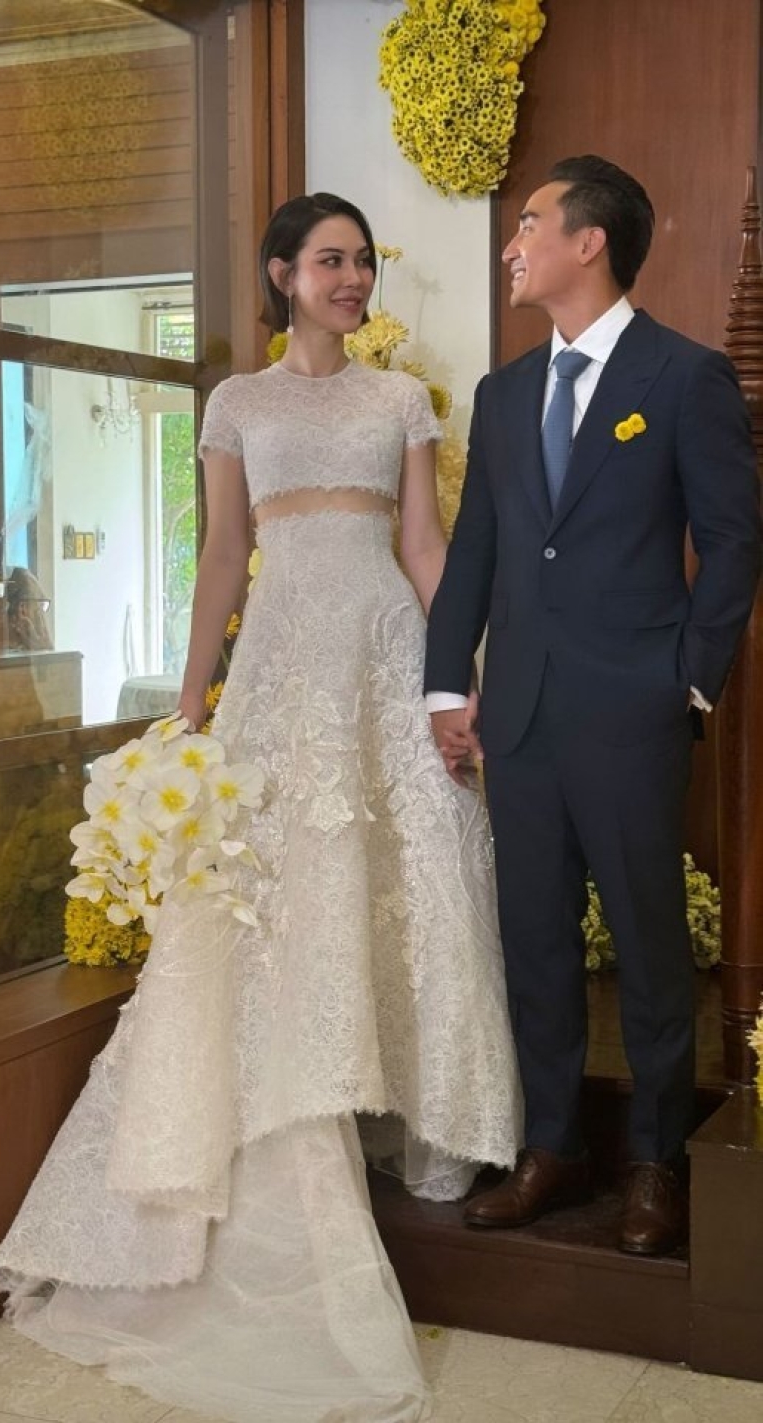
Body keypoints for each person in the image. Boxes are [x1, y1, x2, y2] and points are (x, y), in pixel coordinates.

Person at [0, 193, 521, 1423]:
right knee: (271, 887)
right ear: (282, 274)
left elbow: (426, 548)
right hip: (280, 661)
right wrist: (192, 702)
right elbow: (224, 555)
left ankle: (421, 1118)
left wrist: (458, 676)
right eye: (329, 260)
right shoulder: (237, 403)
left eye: (362, 261)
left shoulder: (400, 400)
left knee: (418, 867)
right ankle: (287, 1098)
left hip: (384, 653)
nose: (352, 278)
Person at [426, 155, 761, 1258]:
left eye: (529, 223)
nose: (511, 242)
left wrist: (689, 676)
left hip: (633, 711)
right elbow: (475, 552)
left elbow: (732, 541)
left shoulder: (685, 376)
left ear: (589, 241)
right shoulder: (503, 393)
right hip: (518, 715)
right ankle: (550, 1147)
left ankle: (655, 1162)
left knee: (651, 951)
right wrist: (446, 684)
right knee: (533, 944)